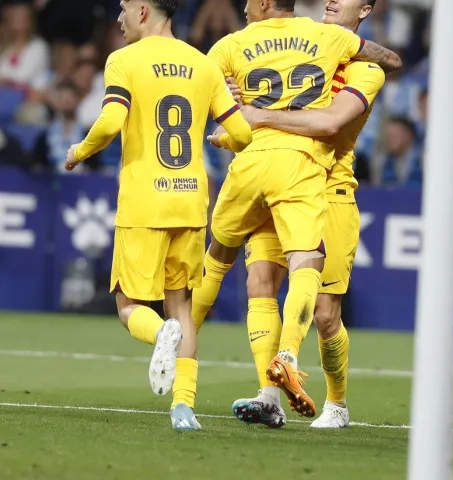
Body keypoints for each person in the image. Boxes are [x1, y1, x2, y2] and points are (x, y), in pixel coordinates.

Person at [191, 0, 401, 420]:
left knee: (326, 314)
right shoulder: (308, 45)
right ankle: (269, 397)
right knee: (259, 283)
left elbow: (328, 123)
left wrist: (256, 114)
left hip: (331, 190)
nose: (331, 1)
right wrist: (233, 102)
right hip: (281, 176)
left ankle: (337, 403)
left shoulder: (365, 70)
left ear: (363, 11)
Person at [63, 0, 252, 431]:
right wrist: (219, 141)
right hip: (190, 200)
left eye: (125, 8)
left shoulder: (124, 60)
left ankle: (158, 336)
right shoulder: (202, 64)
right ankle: (184, 408)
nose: (119, 18)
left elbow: (111, 122)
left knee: (129, 306)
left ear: (145, 12)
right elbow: (242, 132)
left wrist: (79, 151)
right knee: (182, 306)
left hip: (145, 199)